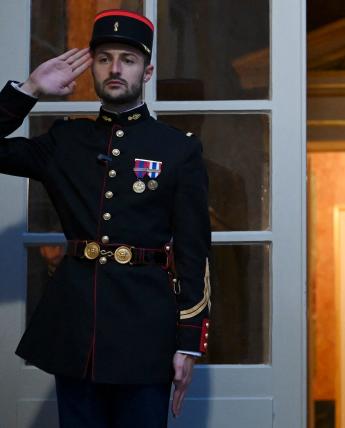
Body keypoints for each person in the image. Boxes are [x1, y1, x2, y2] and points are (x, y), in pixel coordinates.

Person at [0, 10, 211, 427]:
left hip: (147, 331)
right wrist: (27, 90)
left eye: (128, 60)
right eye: (104, 58)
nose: (115, 69)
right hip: (76, 330)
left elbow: (193, 251)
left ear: (146, 71)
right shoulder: (65, 140)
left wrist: (188, 344)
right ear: (92, 68)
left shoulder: (177, 149)